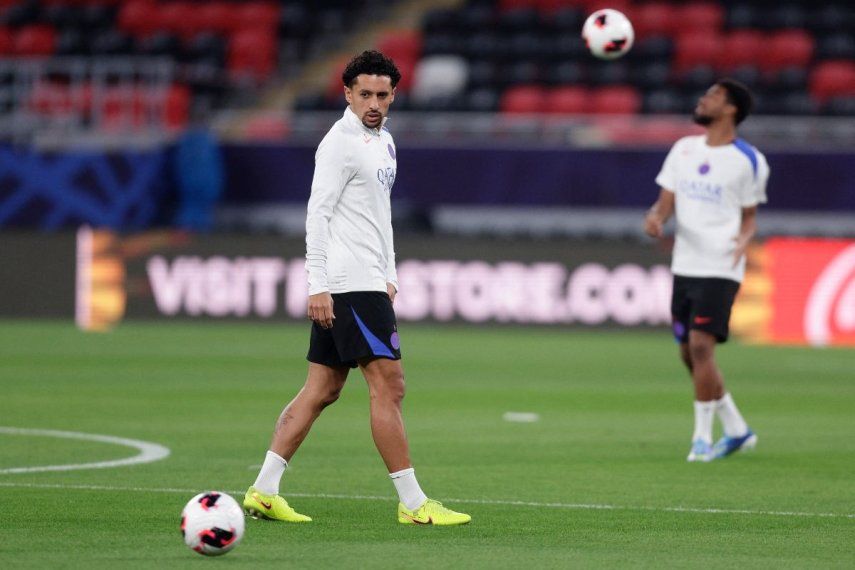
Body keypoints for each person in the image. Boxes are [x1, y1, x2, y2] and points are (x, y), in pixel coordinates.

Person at [243, 50, 470, 526]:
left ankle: (263, 490)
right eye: (363, 94)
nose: (373, 103)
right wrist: (317, 285)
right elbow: (317, 213)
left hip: (368, 279)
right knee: (390, 384)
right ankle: (413, 504)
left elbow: (378, 215)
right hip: (347, 284)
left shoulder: (383, 141)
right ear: (346, 94)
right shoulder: (340, 142)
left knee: (322, 387)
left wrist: (390, 272)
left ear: (393, 96)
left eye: (381, 95)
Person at [644, 79, 770, 462]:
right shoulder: (683, 150)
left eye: (713, 95)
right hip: (686, 263)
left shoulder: (750, 161)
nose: (703, 99)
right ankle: (736, 428)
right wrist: (655, 217)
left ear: (731, 109)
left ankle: (701, 439)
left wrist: (745, 238)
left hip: (721, 265)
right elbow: (666, 201)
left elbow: (750, 217)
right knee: (688, 352)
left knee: (701, 345)